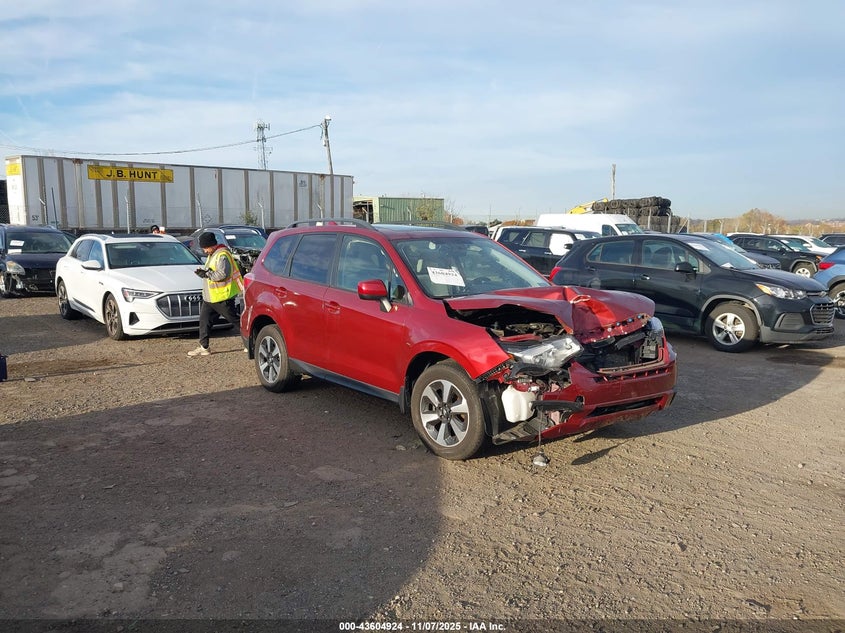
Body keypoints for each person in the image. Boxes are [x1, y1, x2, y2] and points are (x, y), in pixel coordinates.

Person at [187, 232, 244, 357]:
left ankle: (252, 342)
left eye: (205, 247)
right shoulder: (213, 254)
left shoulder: (222, 255)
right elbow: (214, 271)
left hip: (222, 296)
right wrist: (205, 272)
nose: (204, 250)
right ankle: (204, 347)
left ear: (211, 245)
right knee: (204, 321)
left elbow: (223, 274)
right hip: (211, 297)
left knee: (235, 320)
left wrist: (207, 274)